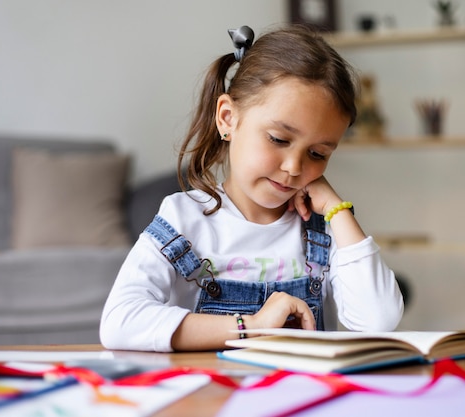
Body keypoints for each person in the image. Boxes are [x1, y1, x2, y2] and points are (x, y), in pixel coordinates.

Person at [100, 25, 403, 352]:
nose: (294, 167)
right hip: (210, 397)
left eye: (318, 154)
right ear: (228, 118)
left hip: (303, 396)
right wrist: (251, 327)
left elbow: (379, 320)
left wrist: (337, 209)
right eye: (278, 139)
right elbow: (120, 321)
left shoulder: (325, 228)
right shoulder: (184, 219)